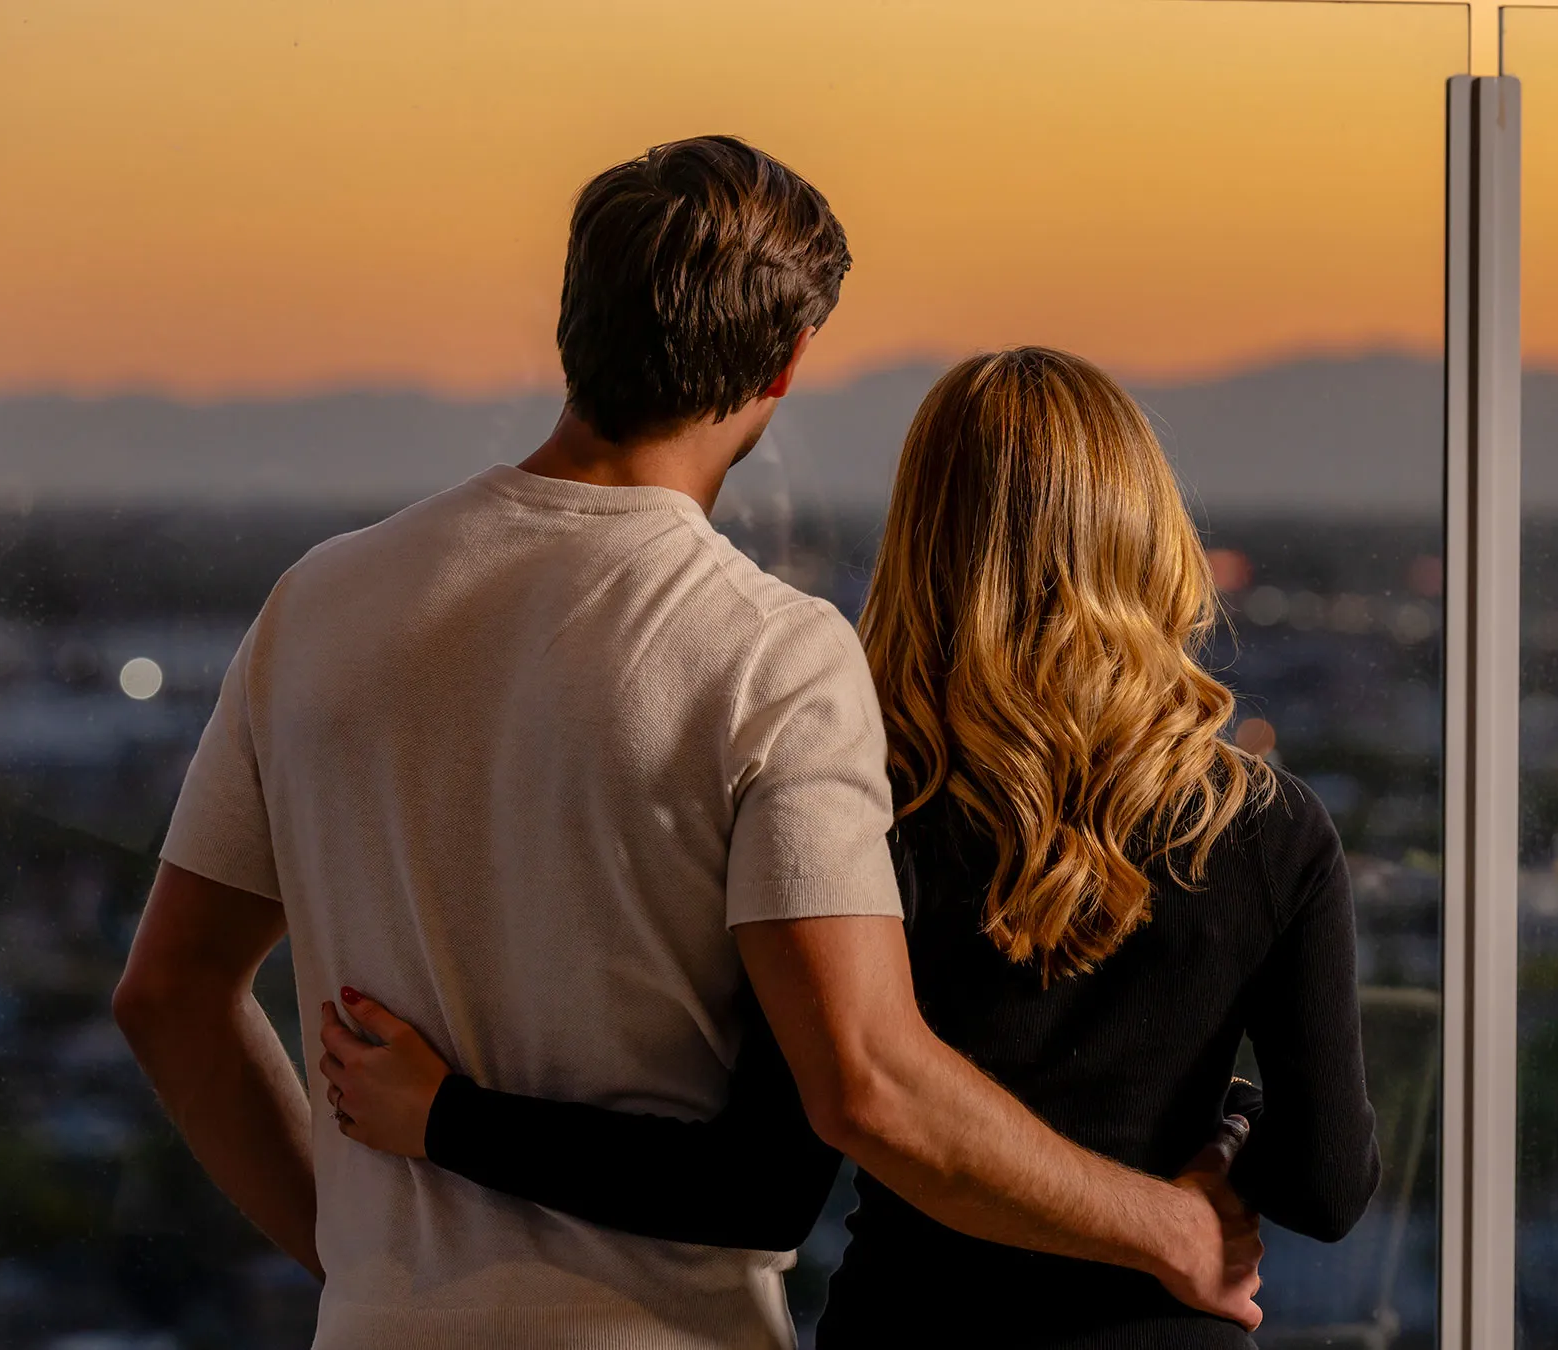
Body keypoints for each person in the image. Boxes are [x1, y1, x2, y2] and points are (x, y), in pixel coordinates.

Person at [112, 139, 1261, 1350]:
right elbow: (867, 1083)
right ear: (787, 362)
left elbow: (170, 996)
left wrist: (361, 1265)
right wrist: (1171, 1229)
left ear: (573, 319)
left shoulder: (321, 603)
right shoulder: (771, 655)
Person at [316, 347, 1382, 1346]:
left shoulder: (864, 805)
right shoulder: (1271, 831)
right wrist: (1231, 1128)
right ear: (1147, 535)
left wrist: (450, 1119)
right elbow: (1329, 1190)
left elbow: (754, 1189)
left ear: (924, 540)